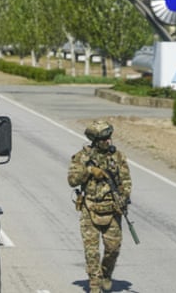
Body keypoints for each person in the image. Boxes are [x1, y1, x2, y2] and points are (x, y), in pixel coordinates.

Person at [68, 120, 132, 292]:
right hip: (90, 208)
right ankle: (95, 284)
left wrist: (123, 199)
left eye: (109, 138)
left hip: (112, 210)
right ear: (95, 140)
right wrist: (88, 171)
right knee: (92, 252)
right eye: (104, 139)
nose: (108, 142)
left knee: (113, 248)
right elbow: (72, 180)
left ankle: (106, 273)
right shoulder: (82, 157)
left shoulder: (117, 157)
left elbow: (126, 181)